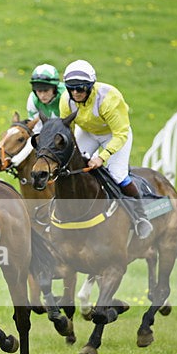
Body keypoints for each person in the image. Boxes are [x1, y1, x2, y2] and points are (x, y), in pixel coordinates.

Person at [60, 59, 153, 239]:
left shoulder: (109, 99)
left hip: (115, 134)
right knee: (71, 167)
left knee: (117, 173)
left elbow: (120, 134)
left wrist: (101, 157)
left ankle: (140, 216)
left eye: (80, 88)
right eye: (71, 88)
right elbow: (67, 131)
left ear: (90, 86)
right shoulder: (66, 100)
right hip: (88, 132)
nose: (75, 93)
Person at [26, 63, 67, 133]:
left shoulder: (66, 95)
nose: (42, 95)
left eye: (46, 91)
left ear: (55, 88)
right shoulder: (33, 99)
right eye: (39, 91)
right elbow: (36, 129)